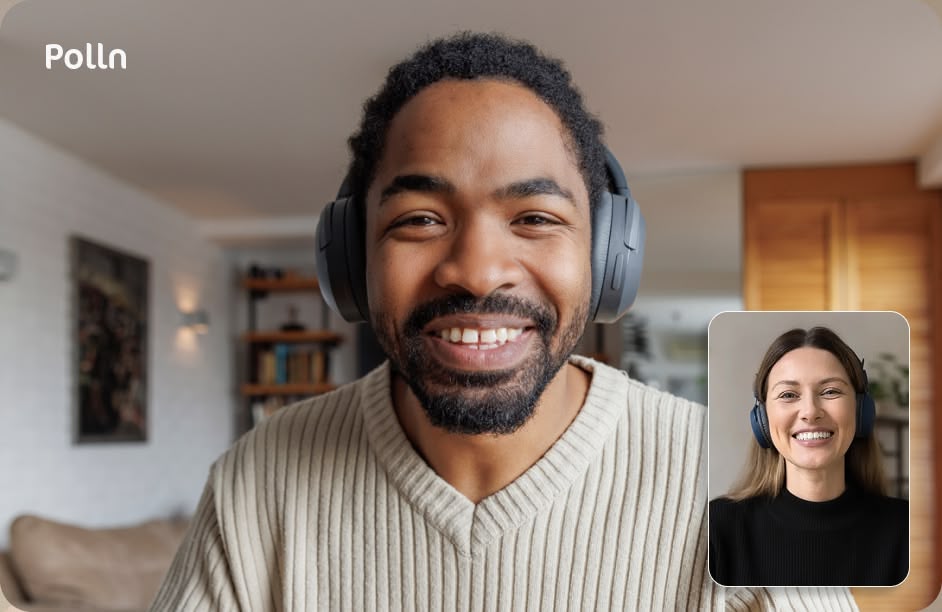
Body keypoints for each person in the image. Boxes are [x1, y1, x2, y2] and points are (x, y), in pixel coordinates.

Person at [151, 33, 855, 610]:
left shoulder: (748, 485)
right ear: (352, 262)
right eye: (420, 219)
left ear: (608, 257)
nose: (479, 271)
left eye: (535, 219)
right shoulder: (257, 481)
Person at [709, 326, 909, 587]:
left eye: (830, 392)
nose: (810, 412)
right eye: (788, 395)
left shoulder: (908, 530)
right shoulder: (717, 528)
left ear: (861, 411)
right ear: (763, 419)